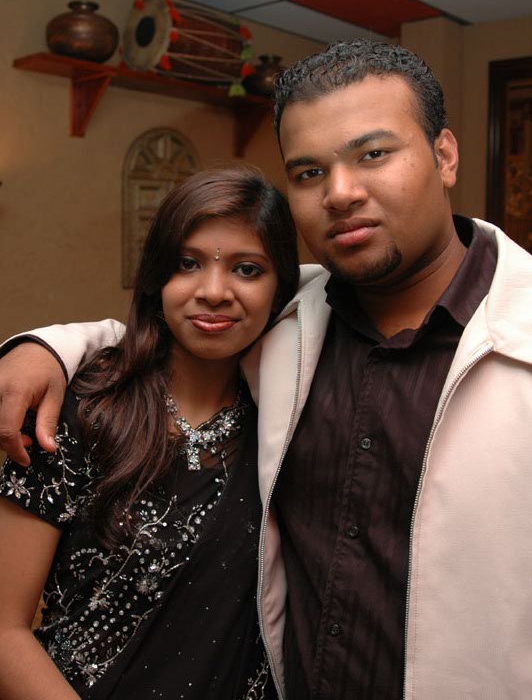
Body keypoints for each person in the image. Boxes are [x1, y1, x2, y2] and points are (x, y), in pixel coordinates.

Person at [1, 40, 532, 699]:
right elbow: (172, 334)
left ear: (444, 155)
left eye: (373, 154)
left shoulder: (513, 337)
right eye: (309, 172)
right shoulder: (290, 324)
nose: (340, 192)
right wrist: (44, 347)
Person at [0, 166, 301, 700]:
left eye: (247, 269)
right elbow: (5, 630)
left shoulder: (289, 422)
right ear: (157, 277)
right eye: (187, 264)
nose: (214, 292)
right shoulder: (84, 411)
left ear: (280, 290)